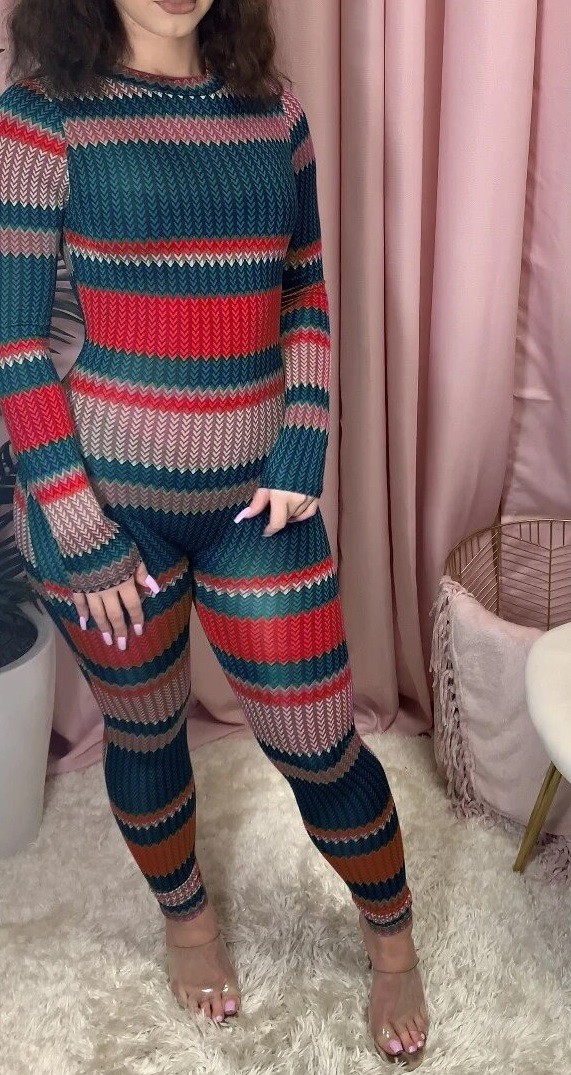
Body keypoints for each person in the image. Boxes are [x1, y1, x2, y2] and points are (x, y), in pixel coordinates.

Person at [0, 0, 429, 1064]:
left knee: (319, 742)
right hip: (101, 510)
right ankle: (187, 923)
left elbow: (304, 292)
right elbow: (14, 345)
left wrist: (304, 439)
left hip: (258, 504)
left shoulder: (272, 111)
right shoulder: (40, 118)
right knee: (146, 732)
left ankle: (392, 940)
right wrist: (76, 522)